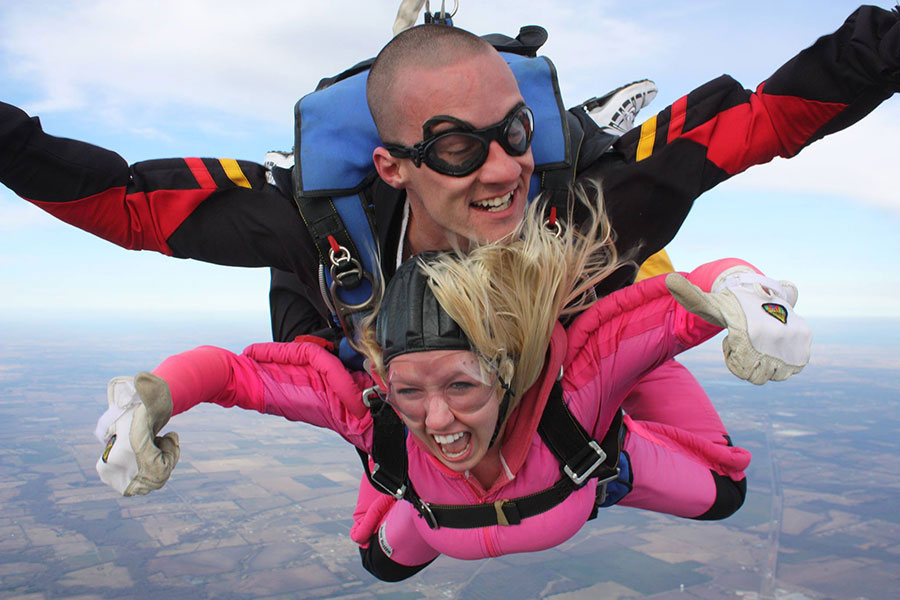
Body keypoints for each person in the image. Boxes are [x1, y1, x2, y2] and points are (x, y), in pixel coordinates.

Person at [94, 190, 811, 581]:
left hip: (591, 468)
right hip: (449, 514)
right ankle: (310, 221)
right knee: (380, 563)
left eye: (463, 387)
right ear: (384, 380)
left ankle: (630, 390)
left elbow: (684, 303)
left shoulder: (574, 386)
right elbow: (233, 373)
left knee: (723, 488)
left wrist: (749, 298)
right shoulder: (371, 407)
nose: (437, 420)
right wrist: (155, 396)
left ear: (506, 369)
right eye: (410, 392)